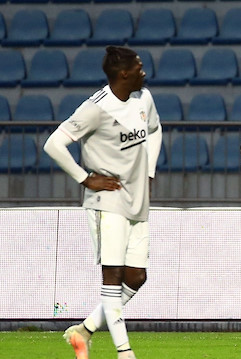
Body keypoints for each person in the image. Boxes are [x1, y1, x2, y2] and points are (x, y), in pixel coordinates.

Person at [43, 46, 162, 359]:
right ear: (123, 74)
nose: (144, 72)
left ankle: (83, 331)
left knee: (137, 277)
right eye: (138, 67)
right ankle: (124, 352)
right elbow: (54, 143)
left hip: (138, 200)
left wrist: (148, 171)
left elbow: (155, 130)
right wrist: (85, 178)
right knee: (113, 276)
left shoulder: (143, 99)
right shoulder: (95, 108)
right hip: (107, 202)